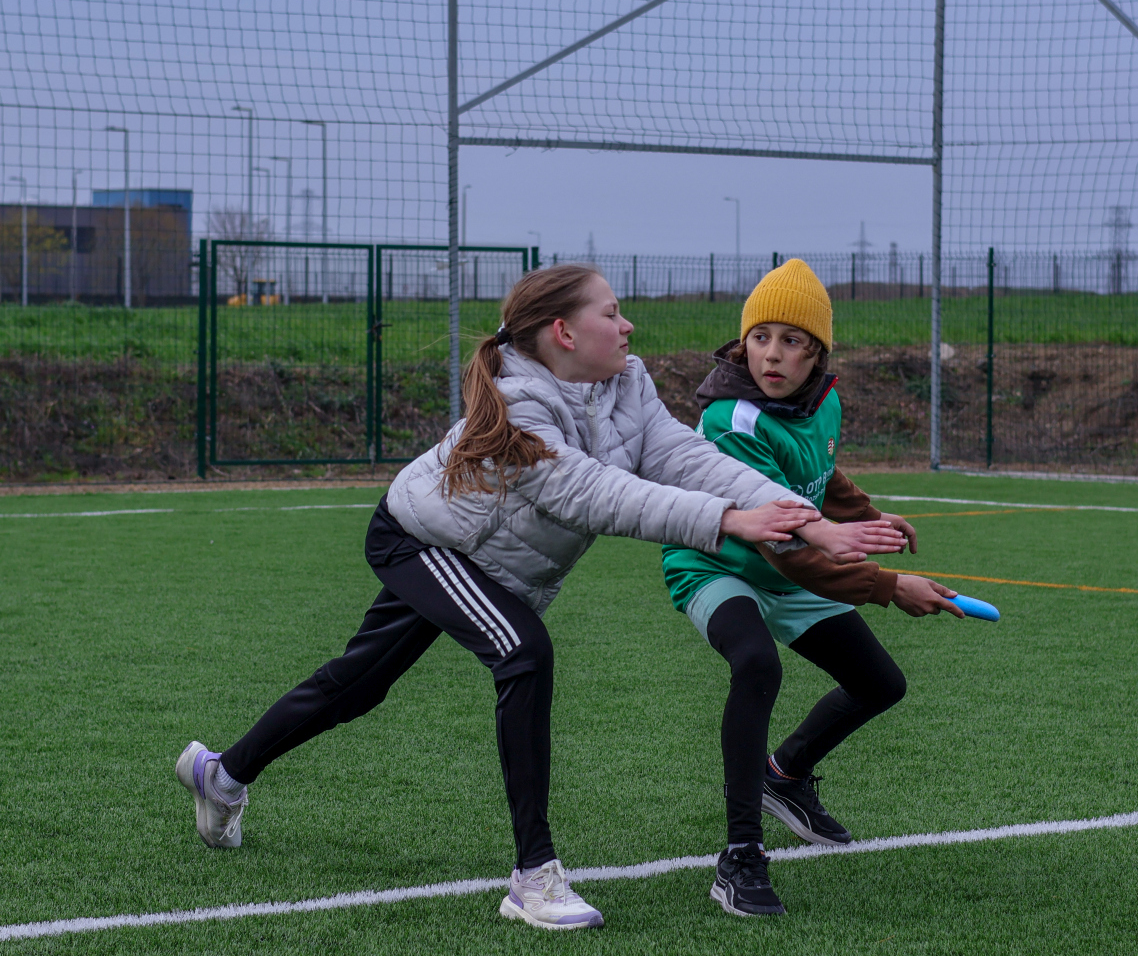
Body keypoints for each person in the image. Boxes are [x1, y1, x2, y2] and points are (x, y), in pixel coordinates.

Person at [174, 264, 901, 931]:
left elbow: (687, 459)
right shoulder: (520, 403)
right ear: (564, 333)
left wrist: (809, 524)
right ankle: (534, 878)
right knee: (523, 652)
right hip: (424, 543)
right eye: (611, 313)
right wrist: (731, 521)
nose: (628, 326)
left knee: (358, 683)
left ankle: (221, 774)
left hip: (489, 564)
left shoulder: (626, 381)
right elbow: (598, 495)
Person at [661, 258, 962, 918]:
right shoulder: (732, 420)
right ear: (743, 343)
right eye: (760, 336)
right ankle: (741, 855)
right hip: (719, 564)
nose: (773, 353)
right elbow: (788, 549)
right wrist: (888, 586)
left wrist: (867, 516)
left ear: (818, 354)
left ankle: (785, 776)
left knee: (880, 683)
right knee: (755, 662)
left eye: (792, 340)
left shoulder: (823, 400)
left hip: (789, 565)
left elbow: (821, 474)